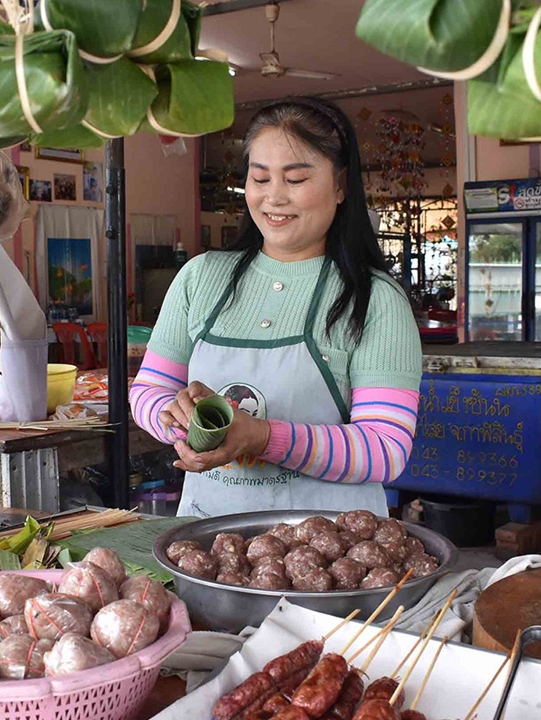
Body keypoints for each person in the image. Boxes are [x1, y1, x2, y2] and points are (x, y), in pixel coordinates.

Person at [129, 97, 422, 518]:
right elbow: (147, 393)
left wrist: (264, 438)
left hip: (332, 558)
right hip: (207, 540)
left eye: (296, 179)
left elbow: (385, 448)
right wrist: (175, 419)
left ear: (340, 185)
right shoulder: (201, 277)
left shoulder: (374, 300)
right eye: (260, 178)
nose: (274, 198)